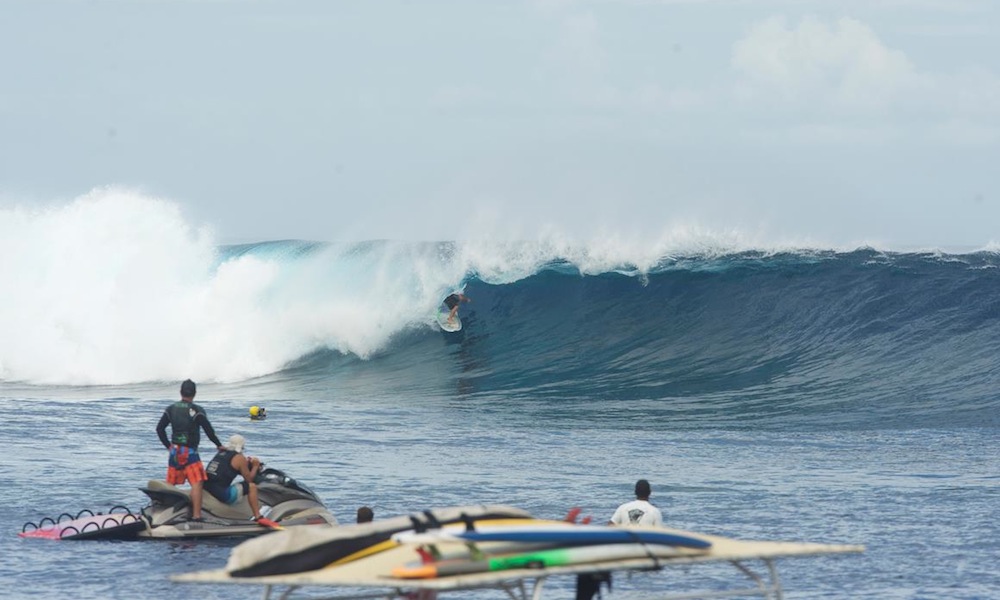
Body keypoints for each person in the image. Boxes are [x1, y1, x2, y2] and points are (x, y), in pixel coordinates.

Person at [156, 379, 224, 521]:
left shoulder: (171, 409)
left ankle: (165, 514)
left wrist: (168, 446)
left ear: (181, 392)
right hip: (191, 453)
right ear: (194, 393)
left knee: (171, 485)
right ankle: (196, 516)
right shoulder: (197, 411)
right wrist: (218, 445)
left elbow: (159, 429)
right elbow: (208, 430)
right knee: (197, 483)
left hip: (175, 452)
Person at [205, 434, 265, 521]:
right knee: (252, 486)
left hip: (208, 487)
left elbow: (227, 469)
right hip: (221, 494)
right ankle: (258, 516)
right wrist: (255, 466)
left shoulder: (221, 453)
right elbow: (249, 480)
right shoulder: (239, 458)